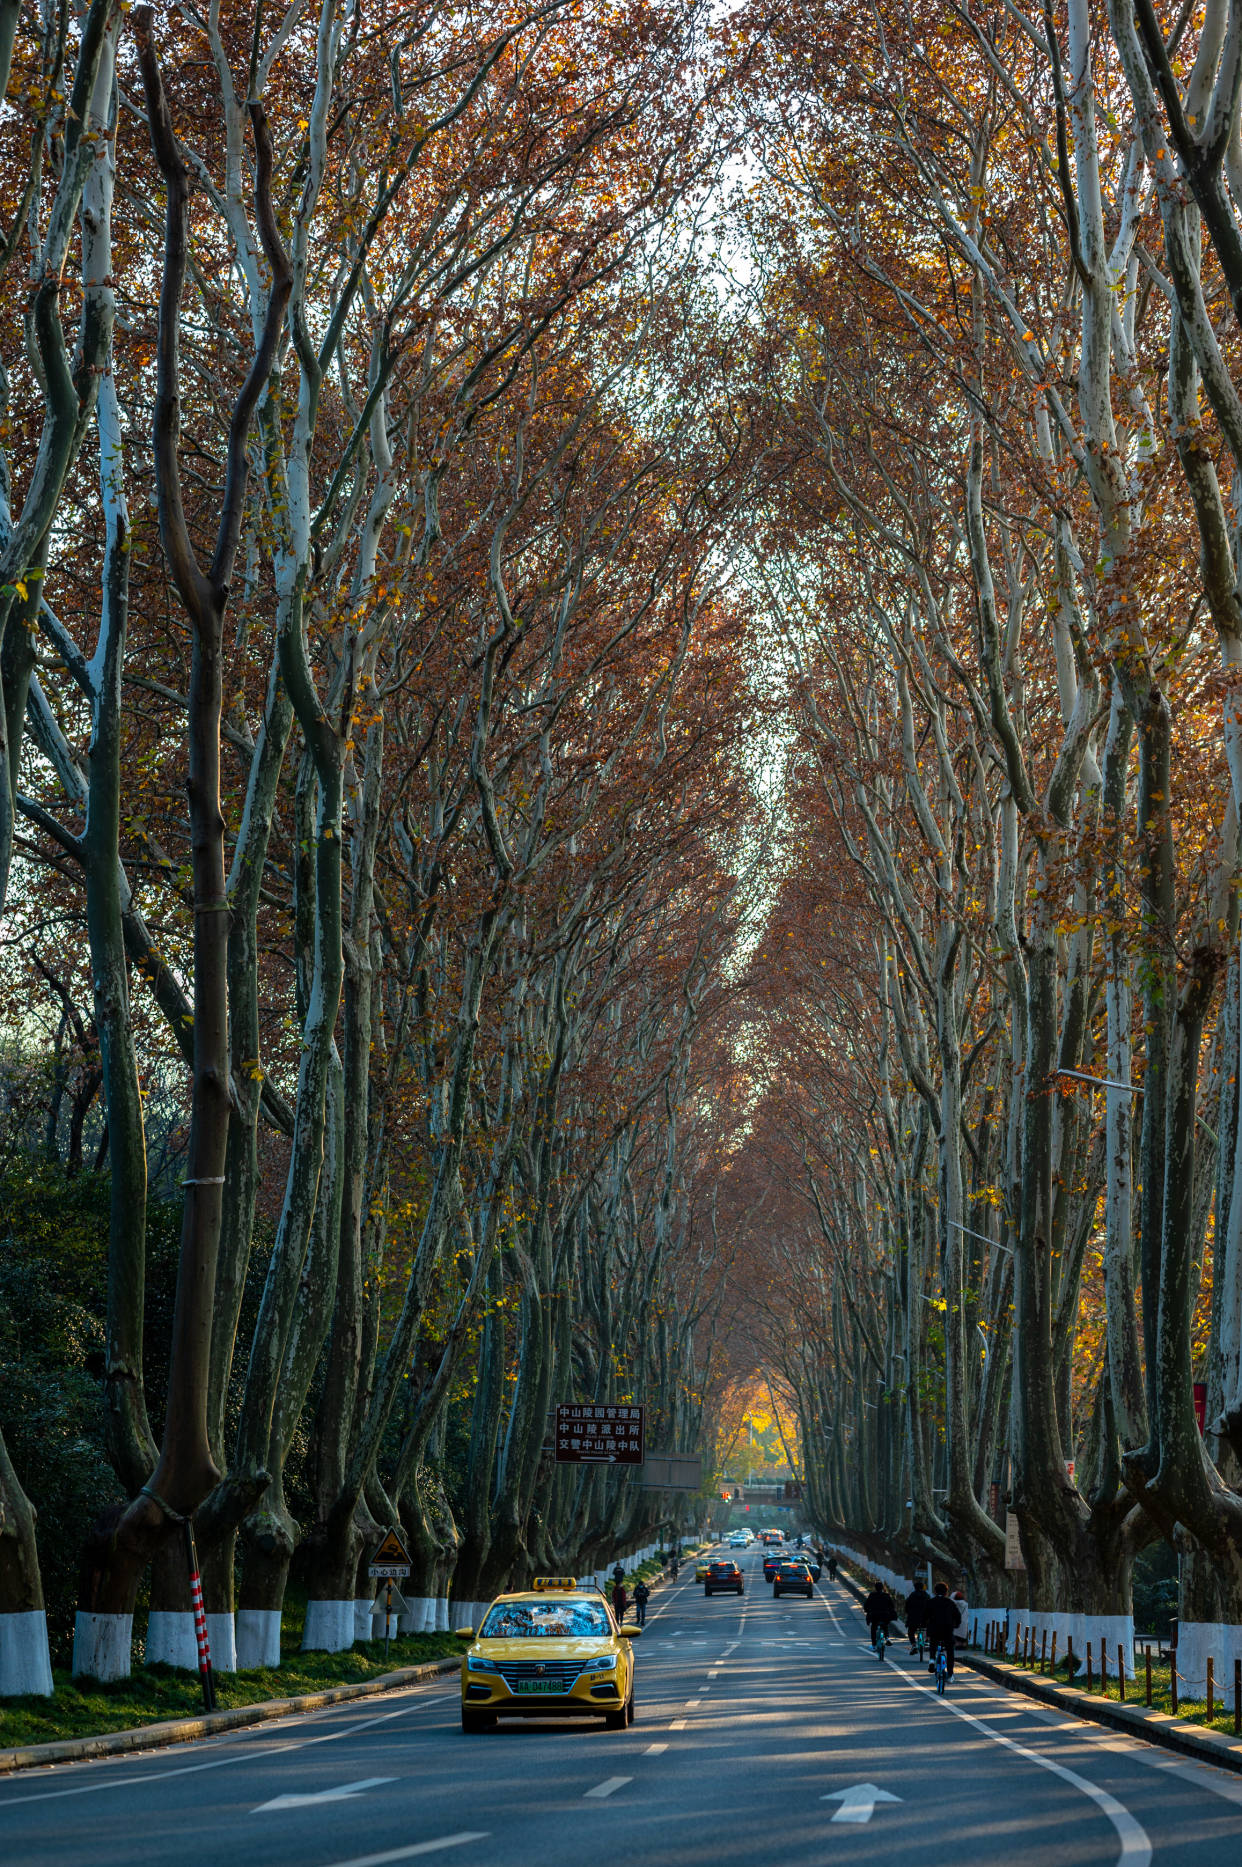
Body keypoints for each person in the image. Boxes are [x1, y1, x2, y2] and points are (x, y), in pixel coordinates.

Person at [924, 1581, 962, 1678]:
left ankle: (932, 1660)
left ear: (935, 1592)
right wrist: (956, 1625)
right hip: (947, 1630)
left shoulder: (930, 1602)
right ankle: (950, 1673)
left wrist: (926, 1626)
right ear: (946, 1592)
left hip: (934, 1630)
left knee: (933, 1644)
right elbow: (957, 1616)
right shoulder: (950, 1603)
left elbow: (925, 1616)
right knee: (950, 1650)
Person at [863, 1582, 898, 1648]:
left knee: (873, 1628)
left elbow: (866, 1605)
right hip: (885, 1615)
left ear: (875, 1588)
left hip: (874, 1616)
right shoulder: (886, 1595)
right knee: (885, 1626)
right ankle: (887, 1638)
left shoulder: (872, 1595)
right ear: (882, 1588)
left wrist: (867, 1610)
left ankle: (873, 1644)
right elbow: (892, 1606)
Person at [904, 1578, 930, 1655]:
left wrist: (909, 1614)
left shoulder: (912, 1596)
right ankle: (927, 1641)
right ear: (923, 1587)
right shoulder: (927, 1596)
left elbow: (907, 1607)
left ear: (915, 1588)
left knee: (910, 1631)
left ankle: (914, 1645)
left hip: (913, 1619)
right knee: (928, 1628)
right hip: (925, 1619)